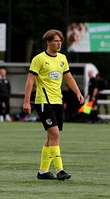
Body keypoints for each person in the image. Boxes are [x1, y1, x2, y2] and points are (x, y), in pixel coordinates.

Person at [23, 29, 84, 181]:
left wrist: (78, 92)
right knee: (55, 134)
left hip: (58, 101)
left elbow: (68, 77)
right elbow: (30, 80)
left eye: (60, 41)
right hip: (44, 102)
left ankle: (43, 172)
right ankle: (60, 170)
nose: (59, 44)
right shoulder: (39, 59)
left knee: (51, 137)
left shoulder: (63, 58)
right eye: (56, 41)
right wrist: (26, 102)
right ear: (48, 42)